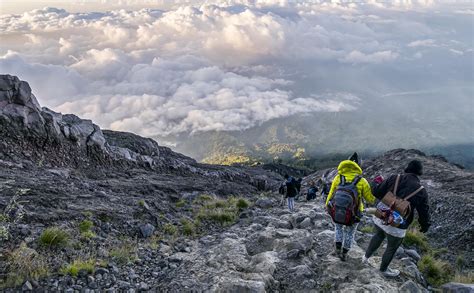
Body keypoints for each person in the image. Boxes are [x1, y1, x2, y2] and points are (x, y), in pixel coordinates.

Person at [363, 160, 431, 278]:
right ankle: (383, 270)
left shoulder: (395, 177)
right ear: (420, 172)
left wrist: (375, 182)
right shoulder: (421, 191)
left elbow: (377, 191)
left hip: (381, 215)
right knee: (392, 247)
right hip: (399, 224)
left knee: (378, 235)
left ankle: (365, 258)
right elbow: (424, 212)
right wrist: (425, 226)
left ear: (407, 168)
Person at [325, 152, 376, 261]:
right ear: (358, 166)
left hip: (337, 209)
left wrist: (327, 205)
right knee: (349, 233)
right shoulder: (362, 181)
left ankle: (337, 250)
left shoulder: (338, 178)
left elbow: (331, 193)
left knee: (338, 228)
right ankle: (344, 254)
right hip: (355, 213)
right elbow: (370, 200)